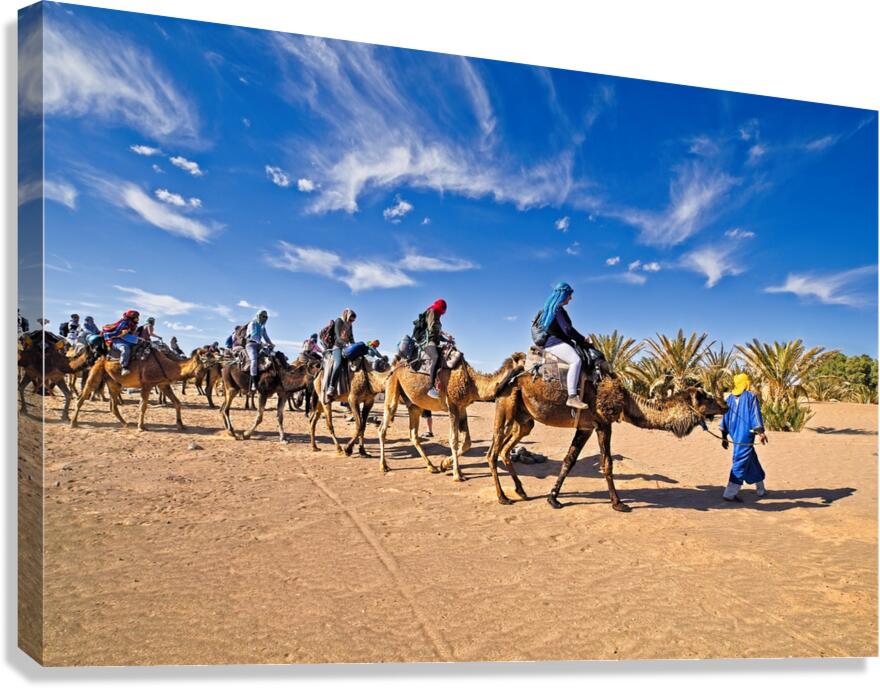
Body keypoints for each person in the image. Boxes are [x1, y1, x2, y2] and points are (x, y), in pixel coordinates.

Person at [536, 282, 592, 410]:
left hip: (552, 342)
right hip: (555, 343)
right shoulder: (558, 309)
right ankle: (572, 396)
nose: (570, 298)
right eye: (569, 295)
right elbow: (567, 330)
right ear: (563, 294)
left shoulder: (551, 308)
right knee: (576, 361)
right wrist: (583, 339)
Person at [719, 373, 768, 502]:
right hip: (745, 434)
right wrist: (761, 433)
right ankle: (730, 493)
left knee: (750, 458)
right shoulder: (751, 396)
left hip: (734, 433)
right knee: (740, 460)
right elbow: (755, 415)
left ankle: (761, 488)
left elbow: (724, 420)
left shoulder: (729, 398)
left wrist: (724, 436)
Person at [414, 299, 449, 399]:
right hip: (428, 342)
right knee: (436, 357)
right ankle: (430, 388)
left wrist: (446, 339)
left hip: (434, 342)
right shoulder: (433, 312)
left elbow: (436, 333)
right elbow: (432, 330)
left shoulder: (437, 315)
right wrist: (443, 335)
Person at [327, 308, 356, 396]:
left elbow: (351, 337)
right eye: (350, 319)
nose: (351, 322)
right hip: (337, 347)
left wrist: (355, 346)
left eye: (353, 320)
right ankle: (331, 386)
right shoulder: (339, 321)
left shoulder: (350, 325)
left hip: (346, 348)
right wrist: (346, 344)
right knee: (338, 363)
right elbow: (338, 338)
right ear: (347, 316)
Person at [102, 310, 140, 375]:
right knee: (125, 349)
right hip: (117, 340)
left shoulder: (133, 325)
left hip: (127, 340)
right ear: (132, 317)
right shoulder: (124, 323)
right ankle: (123, 367)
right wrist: (136, 339)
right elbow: (121, 334)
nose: (138, 319)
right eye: (136, 317)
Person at [245, 310, 273, 391]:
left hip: (260, 345)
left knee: (272, 356)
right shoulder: (253, 323)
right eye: (263, 316)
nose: (265, 318)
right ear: (258, 316)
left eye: (266, 317)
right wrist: (262, 343)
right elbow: (253, 336)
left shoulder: (263, 327)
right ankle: (253, 383)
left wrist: (271, 344)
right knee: (254, 360)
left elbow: (266, 337)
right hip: (251, 345)